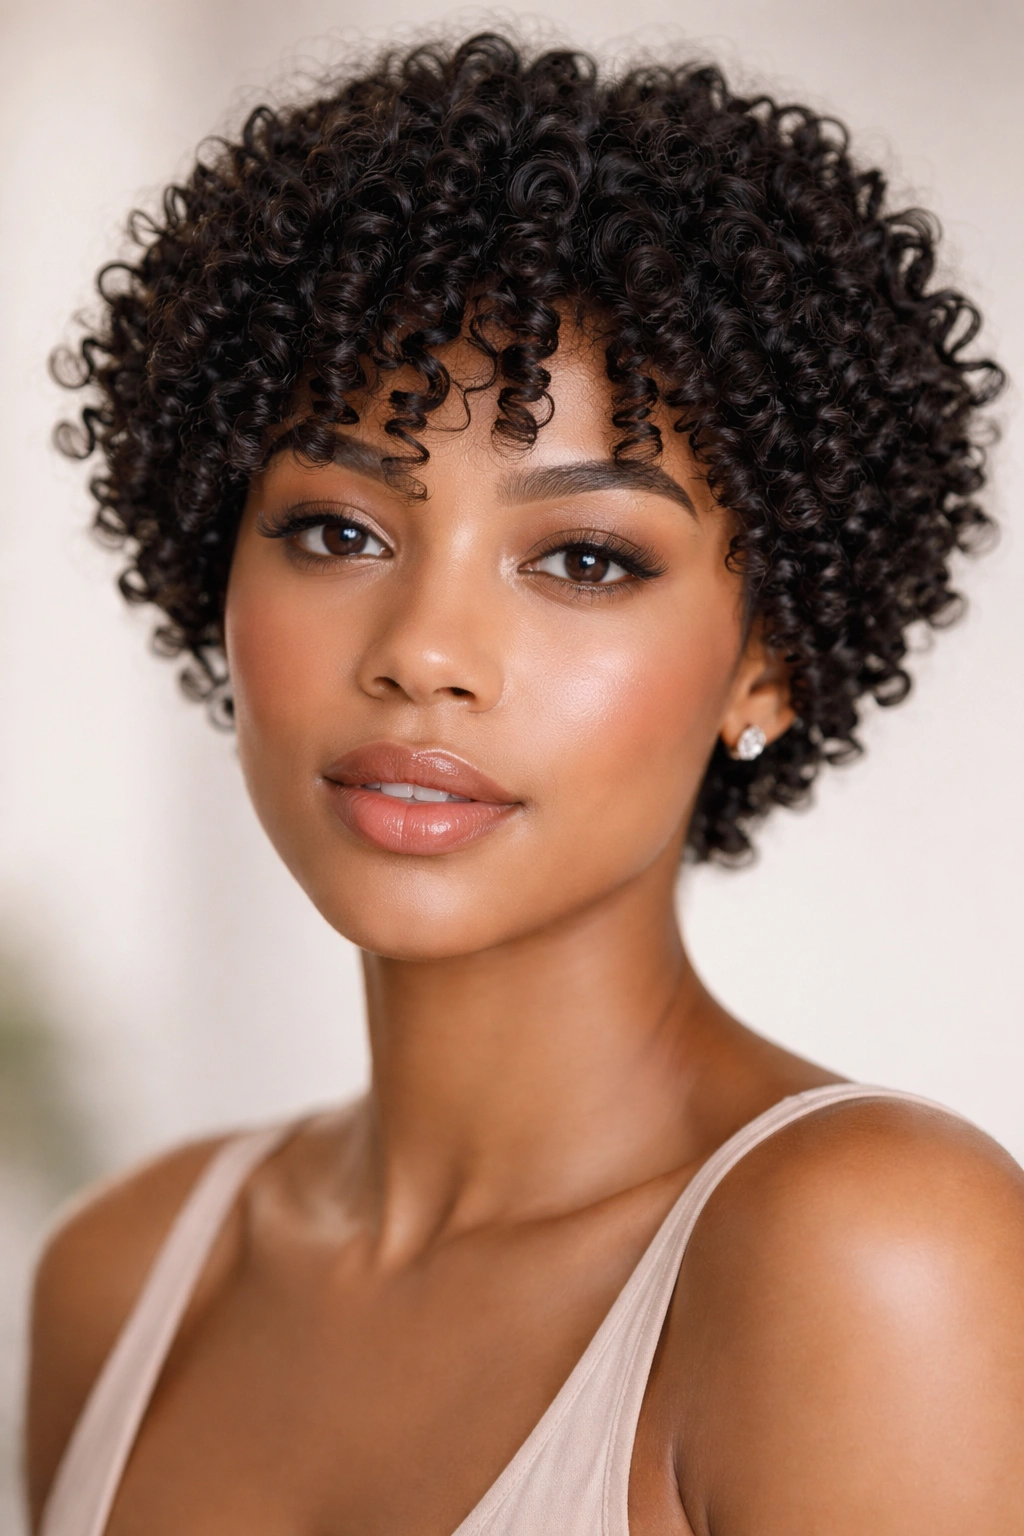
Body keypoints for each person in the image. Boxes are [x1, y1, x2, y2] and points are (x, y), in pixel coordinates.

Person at [27, 32, 1024, 1536]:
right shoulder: (120, 1279)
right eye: (337, 530)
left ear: (772, 660)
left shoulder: (873, 1259)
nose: (425, 653)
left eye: (585, 559)